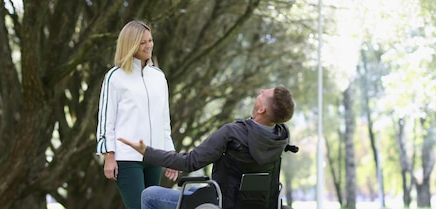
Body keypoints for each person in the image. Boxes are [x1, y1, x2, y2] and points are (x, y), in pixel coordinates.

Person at [118, 86, 296, 209]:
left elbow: (190, 162)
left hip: (220, 203)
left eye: (264, 94)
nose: (261, 91)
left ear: (262, 110)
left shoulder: (233, 132)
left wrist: (146, 152)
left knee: (149, 195)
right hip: (260, 204)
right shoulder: (280, 137)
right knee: (195, 190)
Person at [96, 20, 179, 209]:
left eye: (150, 40)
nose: (149, 45)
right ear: (130, 44)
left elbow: (164, 121)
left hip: (155, 156)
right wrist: (109, 156)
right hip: (127, 158)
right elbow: (106, 120)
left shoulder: (158, 77)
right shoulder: (115, 77)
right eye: (143, 42)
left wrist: (171, 156)